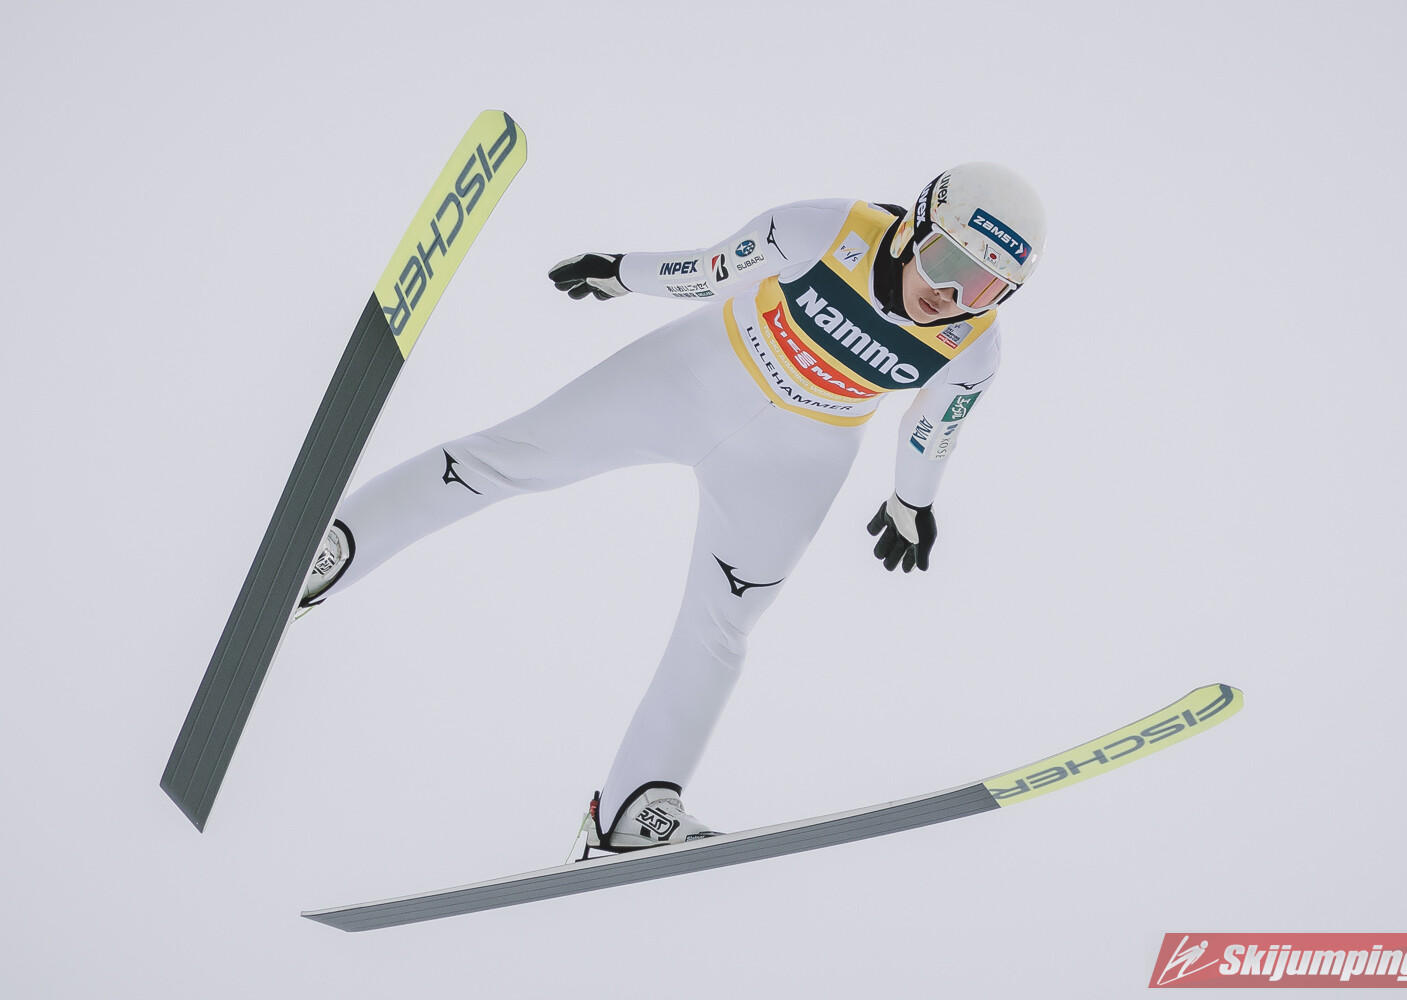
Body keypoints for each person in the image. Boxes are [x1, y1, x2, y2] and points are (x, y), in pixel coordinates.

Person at [298, 162, 1047, 852]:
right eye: (946, 264)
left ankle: (634, 808)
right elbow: (713, 268)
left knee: (722, 628)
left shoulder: (973, 346)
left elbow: (932, 427)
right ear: (914, 227)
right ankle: (333, 550)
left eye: (983, 289)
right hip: (693, 377)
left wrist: (912, 502)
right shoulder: (828, 229)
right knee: (509, 458)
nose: (950, 297)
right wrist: (621, 273)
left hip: (797, 461)